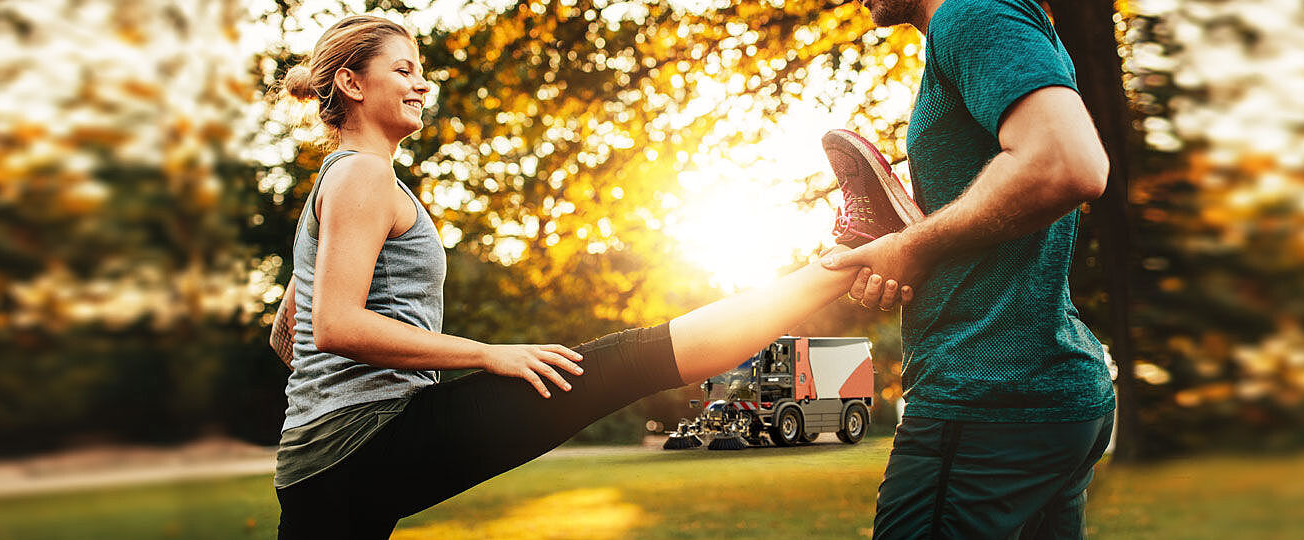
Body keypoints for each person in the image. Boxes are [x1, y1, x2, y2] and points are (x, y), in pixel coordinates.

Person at [266, 15, 872, 538]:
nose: (423, 83)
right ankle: (848, 254)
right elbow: (335, 325)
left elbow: (289, 330)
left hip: (340, 452)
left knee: (627, 361)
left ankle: (846, 256)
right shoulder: (362, 177)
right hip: (360, 441)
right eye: (403, 71)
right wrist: (486, 355)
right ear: (351, 83)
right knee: (630, 361)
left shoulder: (341, 179)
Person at [819, 0, 1118, 537]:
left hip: (985, 402)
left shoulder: (972, 11)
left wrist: (915, 248)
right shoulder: (995, 18)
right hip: (1052, 393)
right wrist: (905, 240)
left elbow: (1066, 162)